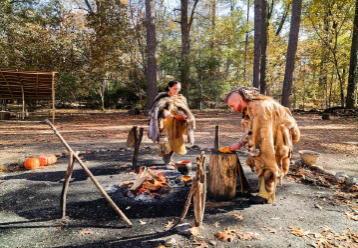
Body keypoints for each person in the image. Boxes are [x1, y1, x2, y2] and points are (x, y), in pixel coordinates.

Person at [225, 87, 300, 204]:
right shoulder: (251, 107)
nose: (232, 109)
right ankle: (262, 189)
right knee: (260, 157)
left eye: (232, 105)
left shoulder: (261, 108)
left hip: (276, 137)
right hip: (269, 136)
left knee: (268, 158)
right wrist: (241, 143)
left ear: (239, 100)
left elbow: (265, 137)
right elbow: (252, 131)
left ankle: (266, 194)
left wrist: (262, 150)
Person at [148, 81, 195, 168]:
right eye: (175, 88)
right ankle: (167, 162)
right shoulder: (161, 97)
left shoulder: (181, 98)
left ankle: (170, 159)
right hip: (164, 123)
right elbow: (155, 109)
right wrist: (165, 112)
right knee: (165, 143)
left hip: (177, 124)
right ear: (169, 87)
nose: (177, 90)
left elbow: (186, 110)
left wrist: (187, 118)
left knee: (175, 142)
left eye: (178, 89)